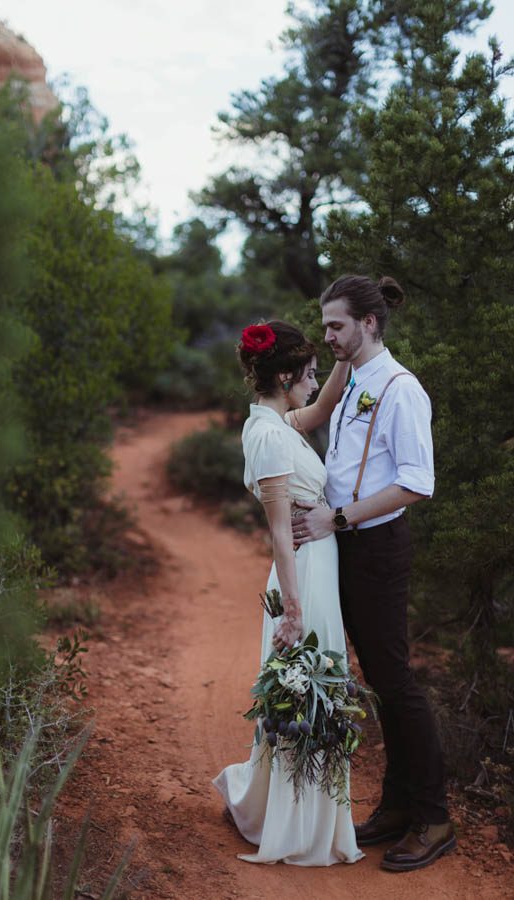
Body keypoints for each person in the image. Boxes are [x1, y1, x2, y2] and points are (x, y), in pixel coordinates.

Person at [291, 274, 456, 873]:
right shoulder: (355, 373)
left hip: (377, 545)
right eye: (325, 324)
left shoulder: (401, 389)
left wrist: (335, 517)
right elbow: (313, 415)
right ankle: (396, 805)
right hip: (349, 546)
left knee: (398, 683)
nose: (327, 335)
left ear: (369, 322)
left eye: (337, 325)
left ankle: (434, 818)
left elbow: (417, 483)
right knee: (382, 682)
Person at [212, 320, 363, 866]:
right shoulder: (270, 435)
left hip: (318, 565)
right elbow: (278, 529)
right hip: (302, 573)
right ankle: (292, 824)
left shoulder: (277, 419)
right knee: (306, 693)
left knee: (317, 691)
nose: (313, 378)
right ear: (283, 375)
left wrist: (345, 355)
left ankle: (303, 815)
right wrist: (293, 612)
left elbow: (322, 407)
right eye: (308, 372)